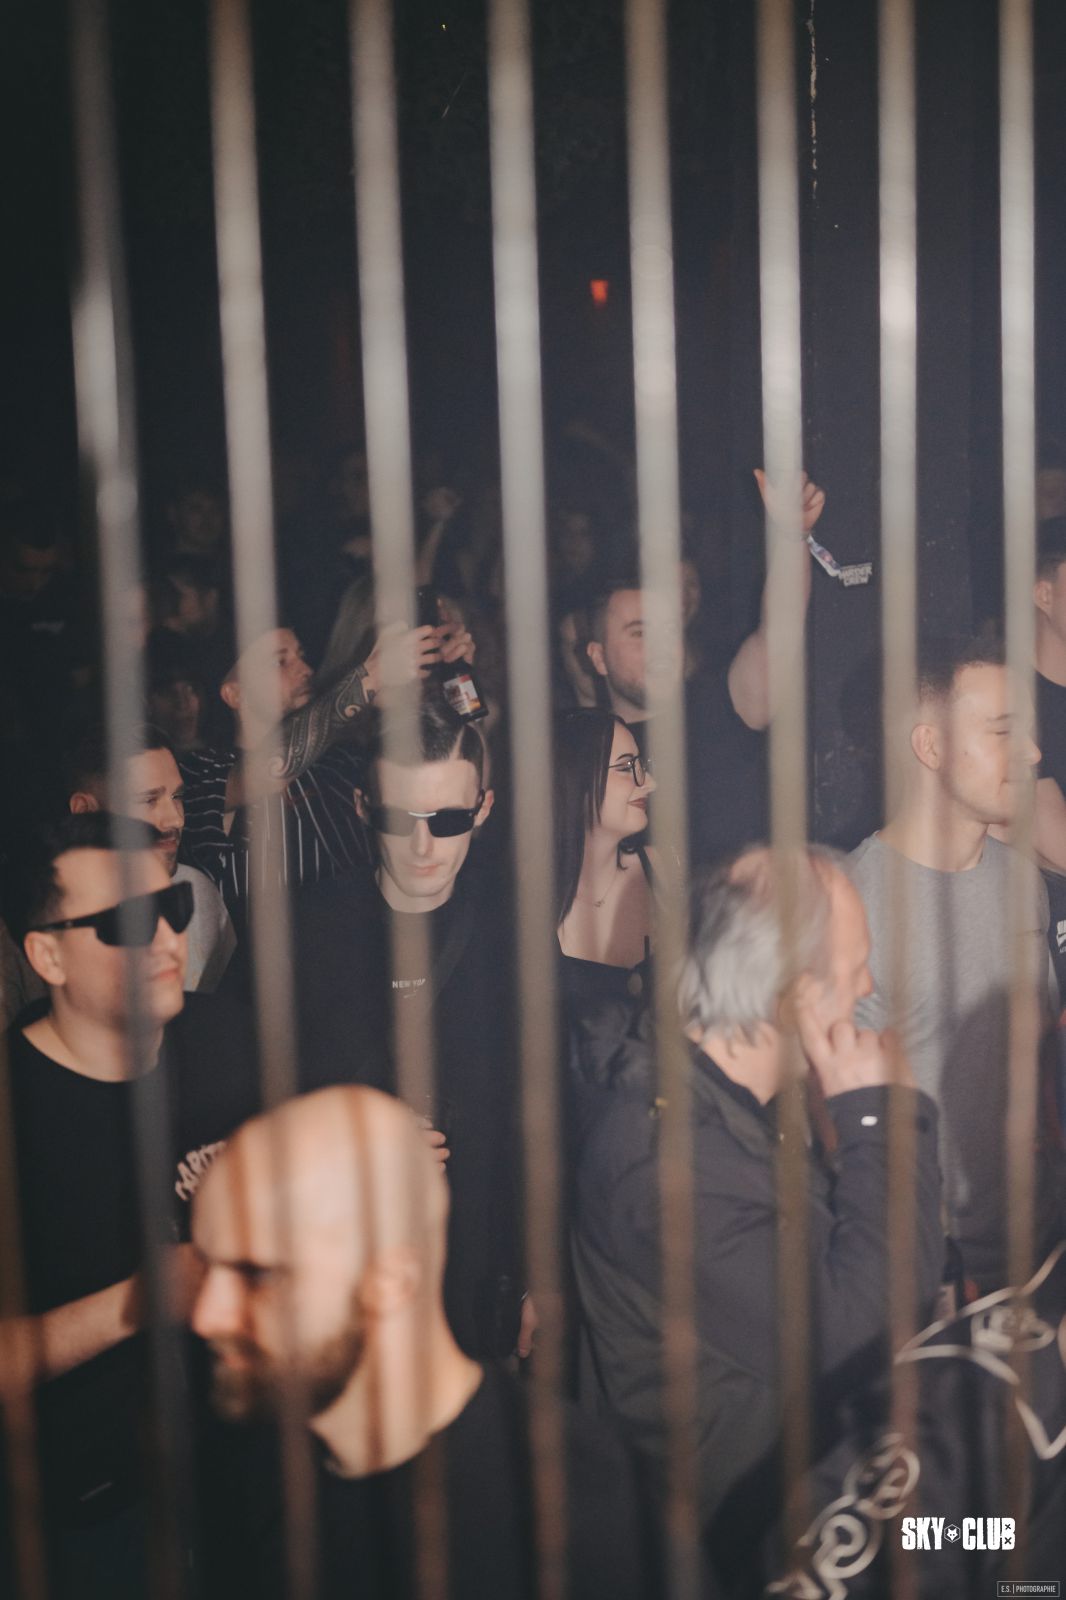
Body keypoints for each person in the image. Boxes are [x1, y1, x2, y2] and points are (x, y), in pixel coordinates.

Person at [571, 846, 944, 1592]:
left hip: (807, 1503)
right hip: (744, 1554)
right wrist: (882, 1121)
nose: (869, 987)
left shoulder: (728, 1104)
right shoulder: (664, 1163)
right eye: (856, 968)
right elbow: (858, 1333)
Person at [190, 1085, 652, 1600]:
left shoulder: (585, 1518)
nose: (206, 1315)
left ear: (391, 1280)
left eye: (257, 1275)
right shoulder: (247, 1476)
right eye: (206, 1267)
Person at [0, 814, 259, 1600]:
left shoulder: (228, 1038)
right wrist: (140, 1301)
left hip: (242, 1471)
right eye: (123, 923)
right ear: (47, 955)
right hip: (90, 1512)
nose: (167, 940)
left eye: (172, 907)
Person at [287, 695, 525, 1360]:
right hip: (336, 1267)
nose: (424, 846)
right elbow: (245, 1103)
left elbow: (543, 1121)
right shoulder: (304, 932)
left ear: (483, 809)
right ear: (363, 807)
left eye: (448, 820)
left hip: (470, 1271)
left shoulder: (512, 933)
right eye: (399, 819)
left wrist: (538, 1279)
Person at [849, 634, 1065, 1293]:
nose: (1032, 753)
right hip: (935, 1275)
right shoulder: (856, 906)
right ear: (931, 746)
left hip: (1046, 1248)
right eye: (1003, 731)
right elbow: (840, 1132)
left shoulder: (1021, 880)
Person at [583, 469, 827, 866]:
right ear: (597, 657)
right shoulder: (582, 753)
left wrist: (791, 536)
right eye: (639, 633)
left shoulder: (718, 707)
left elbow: (779, 633)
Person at [177, 621, 441, 927]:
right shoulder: (201, 770)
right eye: (280, 661)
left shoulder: (340, 758)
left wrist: (453, 677)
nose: (305, 670)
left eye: (301, 656)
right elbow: (269, 770)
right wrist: (371, 676)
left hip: (366, 942)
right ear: (233, 694)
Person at [67, 723, 236, 992]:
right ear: (85, 811)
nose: (176, 819)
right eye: (148, 800)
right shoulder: (42, 920)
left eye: (178, 796)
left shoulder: (198, 893)